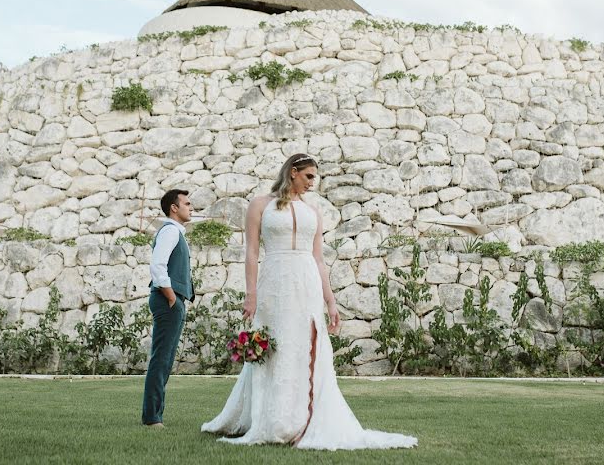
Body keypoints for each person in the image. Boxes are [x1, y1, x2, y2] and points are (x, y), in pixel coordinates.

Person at [201, 154, 417, 450]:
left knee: (304, 347)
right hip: (274, 282)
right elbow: (251, 252)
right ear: (293, 173)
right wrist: (250, 294)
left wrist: (331, 302)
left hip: (306, 285)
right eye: (309, 176)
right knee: (274, 347)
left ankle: (303, 419)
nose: (312, 183)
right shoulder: (260, 205)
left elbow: (318, 259)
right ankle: (272, 418)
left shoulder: (312, 211)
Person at [141, 189, 195, 428]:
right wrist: (171, 296)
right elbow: (158, 265)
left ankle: (154, 415)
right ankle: (152, 418)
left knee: (165, 359)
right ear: (174, 207)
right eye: (187, 203)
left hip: (173, 301)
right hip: (167, 300)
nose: (191, 207)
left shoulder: (176, 232)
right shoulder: (171, 231)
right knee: (161, 359)